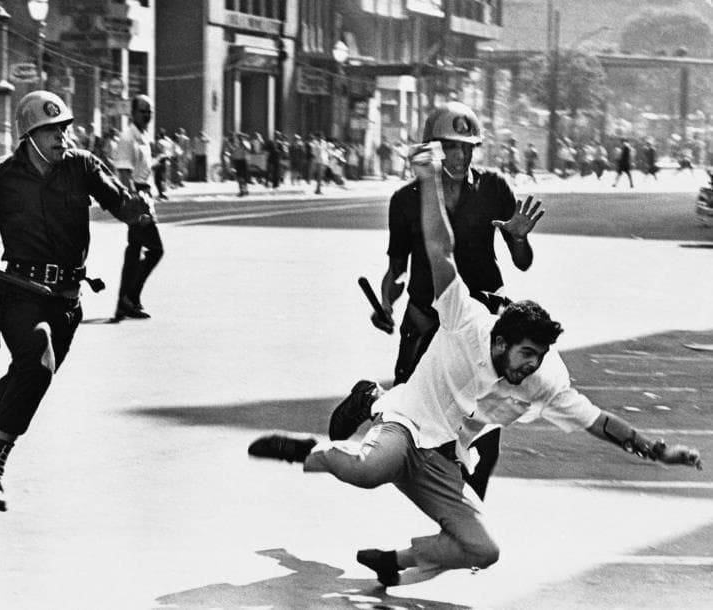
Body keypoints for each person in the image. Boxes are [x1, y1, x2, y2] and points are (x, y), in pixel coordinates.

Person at [248, 140, 702, 587]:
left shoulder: (544, 379)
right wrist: (428, 180)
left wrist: (657, 450)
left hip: (445, 454)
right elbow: (438, 250)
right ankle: (308, 449)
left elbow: (598, 422)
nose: (530, 368)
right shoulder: (467, 321)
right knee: (372, 470)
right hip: (408, 426)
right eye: (526, 355)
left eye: (539, 358)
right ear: (500, 342)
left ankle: (395, 560)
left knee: (484, 549)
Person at [0, 90, 151, 511]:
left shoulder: (82, 165)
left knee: (28, 374)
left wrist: (136, 210)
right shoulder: (1, 172)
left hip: (66, 300)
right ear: (29, 135)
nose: (63, 138)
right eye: (52, 131)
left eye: (65, 129)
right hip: (17, 290)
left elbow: (119, 204)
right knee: (38, 360)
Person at [333, 101, 539, 500]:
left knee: (485, 430)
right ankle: (369, 398)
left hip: (481, 321)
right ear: (432, 149)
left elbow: (523, 262)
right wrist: (387, 303)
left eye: (467, 148)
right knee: (409, 418)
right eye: (450, 147)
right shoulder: (407, 199)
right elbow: (396, 268)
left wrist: (518, 236)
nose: (460, 157)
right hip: (428, 317)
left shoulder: (494, 188)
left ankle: (469, 517)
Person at [114, 94, 165, 321]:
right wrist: (136, 205)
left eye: (150, 111)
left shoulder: (143, 136)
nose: (147, 115)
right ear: (133, 113)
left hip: (145, 195)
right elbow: (124, 174)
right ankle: (129, 297)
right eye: (143, 111)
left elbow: (140, 168)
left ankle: (126, 301)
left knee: (133, 252)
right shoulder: (128, 138)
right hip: (138, 200)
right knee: (155, 250)